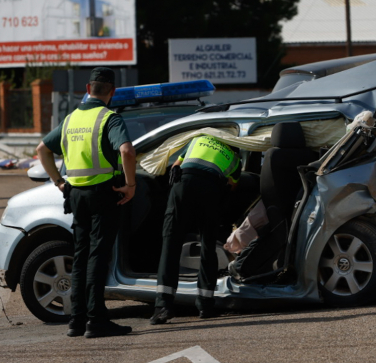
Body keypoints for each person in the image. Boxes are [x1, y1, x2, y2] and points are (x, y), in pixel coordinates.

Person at [36, 67, 136, 339]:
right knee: (98, 257)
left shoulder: (71, 119)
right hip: (103, 194)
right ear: (111, 92)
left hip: (76, 195)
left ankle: (76, 321)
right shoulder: (109, 118)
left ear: (88, 89)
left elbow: (42, 149)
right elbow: (126, 151)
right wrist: (131, 185)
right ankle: (97, 320)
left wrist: (58, 180)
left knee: (80, 257)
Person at [150, 134, 241, 325]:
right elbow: (231, 188)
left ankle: (162, 306)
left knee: (171, 243)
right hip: (210, 190)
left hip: (183, 184)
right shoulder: (235, 158)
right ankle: (205, 305)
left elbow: (176, 165)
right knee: (208, 246)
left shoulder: (198, 140)